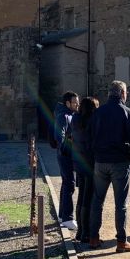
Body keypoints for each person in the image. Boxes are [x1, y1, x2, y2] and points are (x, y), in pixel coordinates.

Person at [88, 80, 130, 252]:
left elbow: (90, 135)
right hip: (119, 162)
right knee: (121, 204)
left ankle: (93, 238)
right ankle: (121, 242)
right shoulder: (128, 113)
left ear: (109, 93)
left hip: (100, 161)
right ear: (123, 94)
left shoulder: (98, 113)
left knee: (97, 200)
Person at [71, 97, 100, 243]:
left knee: (82, 196)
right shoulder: (92, 121)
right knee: (88, 198)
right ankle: (85, 234)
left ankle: (80, 231)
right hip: (90, 163)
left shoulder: (75, 120)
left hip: (79, 162)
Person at [54, 91, 80, 230]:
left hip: (66, 154)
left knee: (66, 184)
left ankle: (62, 215)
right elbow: (60, 137)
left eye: (78, 102)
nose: (77, 105)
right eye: (75, 102)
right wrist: (69, 148)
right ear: (68, 103)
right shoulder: (63, 116)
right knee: (70, 184)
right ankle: (68, 218)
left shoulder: (69, 115)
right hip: (66, 155)